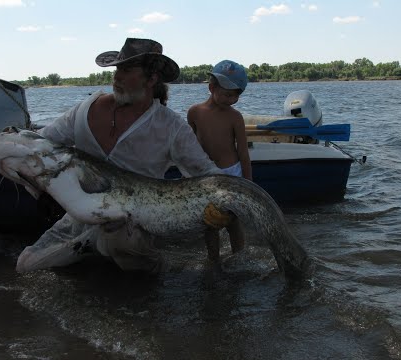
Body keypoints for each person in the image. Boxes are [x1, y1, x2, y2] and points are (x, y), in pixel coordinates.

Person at [16, 38, 227, 274]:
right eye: (117, 69)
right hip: (79, 218)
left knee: (121, 247)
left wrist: (222, 206)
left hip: (132, 223)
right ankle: (87, 251)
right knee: (27, 265)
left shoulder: (171, 127)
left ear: (151, 79)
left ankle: (151, 271)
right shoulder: (85, 109)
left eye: (127, 70)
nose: (117, 76)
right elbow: (43, 142)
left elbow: (207, 173)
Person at [187, 60, 252, 265]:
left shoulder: (235, 117)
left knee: (233, 222)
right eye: (227, 94)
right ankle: (213, 261)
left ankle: (239, 259)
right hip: (206, 175)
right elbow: (188, 148)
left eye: (236, 96)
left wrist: (249, 184)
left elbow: (243, 152)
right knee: (209, 222)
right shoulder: (195, 112)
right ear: (211, 87)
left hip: (232, 173)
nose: (232, 100)